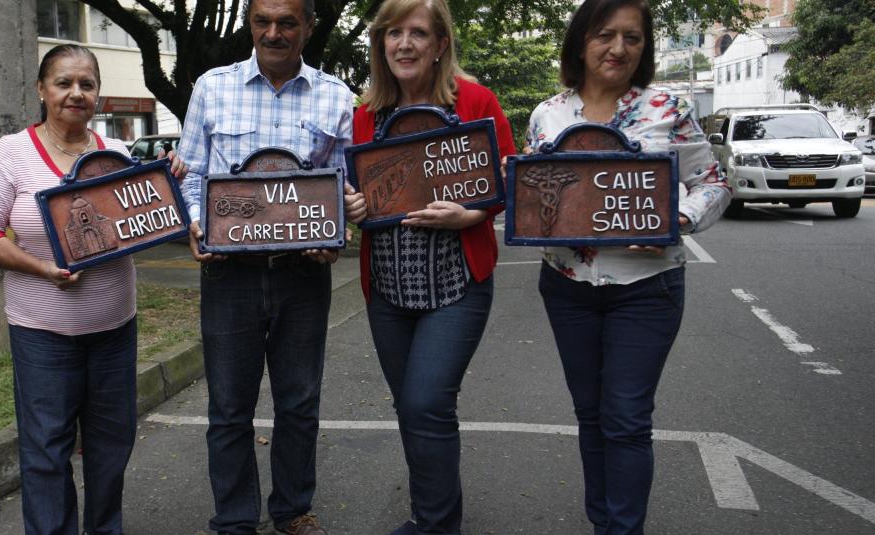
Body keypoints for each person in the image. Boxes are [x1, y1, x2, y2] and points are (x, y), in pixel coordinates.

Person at [0, 44, 187, 535]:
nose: (75, 93)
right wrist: (43, 268)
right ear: (42, 90)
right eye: (63, 83)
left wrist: (167, 184)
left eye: (86, 84)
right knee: (46, 450)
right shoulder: (12, 153)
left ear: (98, 93)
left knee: (111, 447)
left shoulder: (117, 156)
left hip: (114, 331)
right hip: (42, 334)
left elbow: (148, 221)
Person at [525, 0, 732, 533]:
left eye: (632, 38)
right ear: (580, 42)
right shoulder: (548, 115)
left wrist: (678, 219)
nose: (618, 48)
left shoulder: (668, 109)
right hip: (567, 286)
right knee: (590, 416)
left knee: (626, 419)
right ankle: (604, 524)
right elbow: (534, 196)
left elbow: (713, 183)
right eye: (605, 35)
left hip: (647, 287)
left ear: (645, 48)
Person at [176, 0, 353, 532]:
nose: (273, 33)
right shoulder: (211, 87)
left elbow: (341, 187)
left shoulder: (337, 96)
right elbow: (191, 174)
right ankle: (234, 519)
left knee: (299, 401)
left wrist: (335, 236)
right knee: (229, 405)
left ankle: (292, 509)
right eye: (262, 21)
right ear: (250, 23)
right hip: (228, 273)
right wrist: (198, 224)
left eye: (287, 23)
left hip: (304, 273)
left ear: (309, 27)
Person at [342, 0, 516, 533]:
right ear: (380, 43)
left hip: (457, 282)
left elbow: (512, 178)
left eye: (418, 32)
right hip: (388, 288)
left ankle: (437, 525)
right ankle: (432, 514)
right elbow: (353, 188)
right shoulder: (365, 113)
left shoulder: (476, 100)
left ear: (441, 44)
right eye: (393, 33)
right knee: (411, 408)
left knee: (426, 403)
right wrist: (352, 206)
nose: (404, 44)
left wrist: (472, 214)